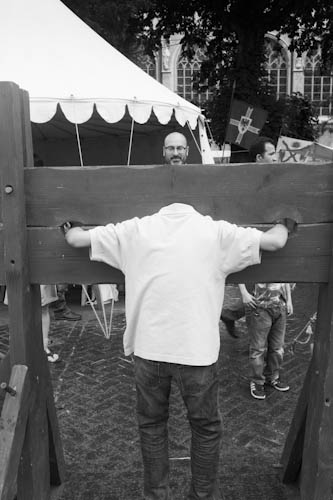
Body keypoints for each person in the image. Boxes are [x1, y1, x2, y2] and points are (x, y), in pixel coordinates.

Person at [61, 201, 291, 499]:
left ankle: (157, 495)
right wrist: (287, 219)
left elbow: (76, 239)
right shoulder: (216, 231)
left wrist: (66, 223)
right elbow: (275, 241)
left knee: (152, 424)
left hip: (149, 348)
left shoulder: (136, 229)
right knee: (205, 427)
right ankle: (203, 496)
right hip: (197, 351)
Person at [220, 136, 277, 338]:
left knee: (264, 294)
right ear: (259, 158)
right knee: (256, 295)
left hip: (264, 242)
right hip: (250, 243)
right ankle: (257, 343)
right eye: (272, 154)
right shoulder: (246, 184)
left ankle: (233, 314)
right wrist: (243, 291)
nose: (276, 158)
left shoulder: (272, 182)